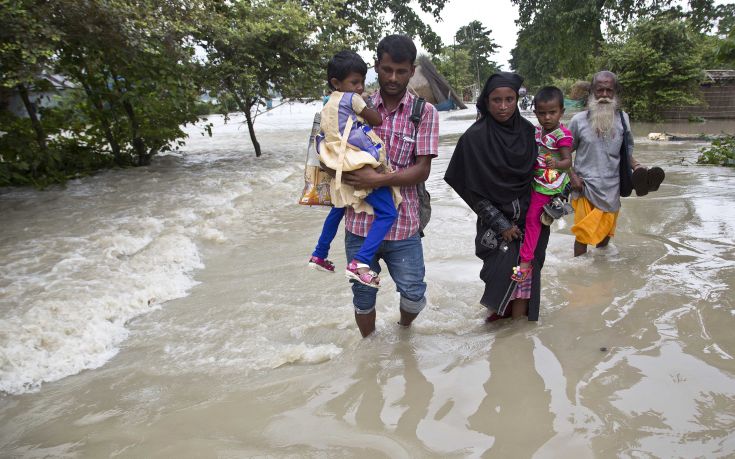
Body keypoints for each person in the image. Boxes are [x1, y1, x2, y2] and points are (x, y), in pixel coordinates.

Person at [331, 35, 439, 337]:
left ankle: (404, 332)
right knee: (363, 298)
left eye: (401, 71)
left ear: (411, 70)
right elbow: (328, 148)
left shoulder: (424, 112)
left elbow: (422, 170)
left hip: (404, 227)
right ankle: (370, 351)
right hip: (359, 225)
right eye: (387, 69)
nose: (393, 78)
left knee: (414, 296)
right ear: (376, 66)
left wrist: (378, 179)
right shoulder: (352, 105)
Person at [444, 72, 548, 322]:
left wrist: (553, 203)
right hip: (496, 225)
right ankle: (495, 339)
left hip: (533, 219)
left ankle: (519, 339)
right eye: (496, 100)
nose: (503, 106)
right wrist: (501, 224)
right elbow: (467, 187)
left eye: (509, 99)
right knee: (501, 278)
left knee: (529, 276)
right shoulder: (474, 138)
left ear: (517, 100)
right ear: (486, 102)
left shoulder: (529, 132)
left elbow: (545, 172)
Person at [308, 50, 401, 288]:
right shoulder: (352, 99)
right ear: (336, 83)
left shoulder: (327, 103)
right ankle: (360, 263)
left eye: (361, 81)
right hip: (356, 162)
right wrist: (366, 101)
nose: (359, 86)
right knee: (388, 212)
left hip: (335, 162)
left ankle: (319, 253)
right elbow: (376, 120)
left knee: (339, 207)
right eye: (355, 82)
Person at [568, 70, 665, 257]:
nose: (604, 95)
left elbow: (625, 151)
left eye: (609, 91)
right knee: (583, 235)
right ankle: (579, 273)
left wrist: (637, 166)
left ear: (615, 93)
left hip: (612, 187)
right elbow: (561, 153)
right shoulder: (578, 121)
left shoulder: (623, 119)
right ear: (592, 93)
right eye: (600, 90)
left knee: (605, 235)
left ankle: (601, 270)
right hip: (585, 187)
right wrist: (573, 177)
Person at [512, 86, 573, 282]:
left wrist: (556, 163)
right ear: (535, 112)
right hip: (535, 176)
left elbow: (567, 163)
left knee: (532, 220)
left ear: (561, 112)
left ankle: (525, 262)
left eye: (552, 112)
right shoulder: (537, 130)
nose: (547, 117)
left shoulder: (562, 135)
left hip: (549, 181)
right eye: (542, 113)